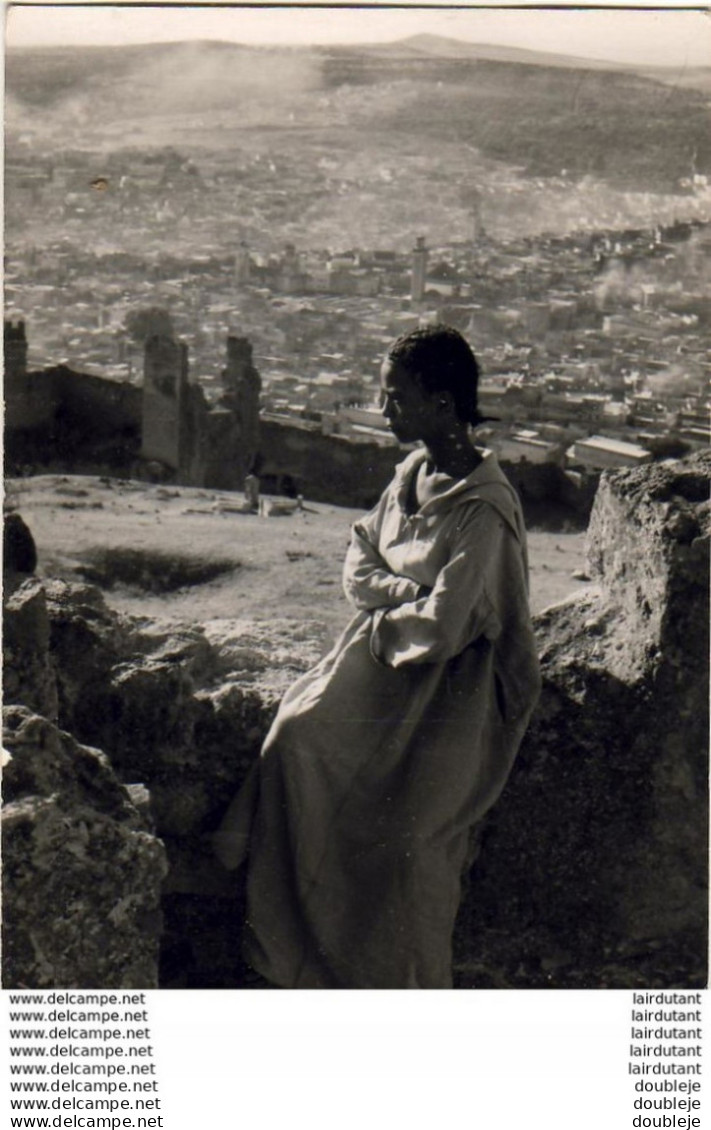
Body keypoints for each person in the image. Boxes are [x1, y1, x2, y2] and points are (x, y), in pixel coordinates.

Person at [213, 323, 541, 989]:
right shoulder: (410, 474)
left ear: (442, 405)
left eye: (394, 397)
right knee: (296, 738)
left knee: (412, 849)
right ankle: (286, 956)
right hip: (380, 666)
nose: (382, 408)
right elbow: (357, 565)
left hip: (454, 694)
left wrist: (400, 605)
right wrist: (410, 590)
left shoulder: (483, 510)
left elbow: (448, 630)